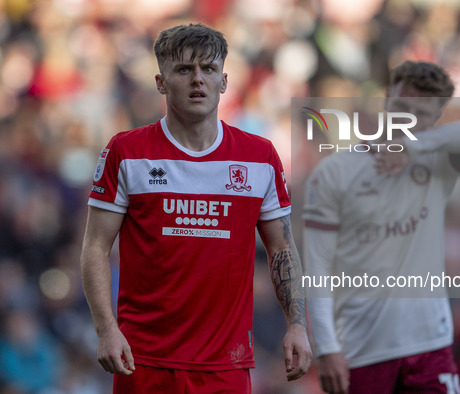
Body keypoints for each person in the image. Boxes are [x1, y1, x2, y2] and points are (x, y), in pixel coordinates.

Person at [80, 23, 312, 393]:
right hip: (143, 359)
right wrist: (106, 330)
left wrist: (296, 325)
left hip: (226, 363)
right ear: (161, 81)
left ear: (224, 81)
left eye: (208, 69)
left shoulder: (259, 157)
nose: (197, 80)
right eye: (184, 70)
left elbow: (282, 248)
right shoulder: (127, 152)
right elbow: (94, 247)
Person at [303, 61, 460, 393]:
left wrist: (413, 147)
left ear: (437, 118)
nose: (408, 119)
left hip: (430, 343)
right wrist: (325, 346)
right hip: (362, 348)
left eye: (422, 113)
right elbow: (318, 267)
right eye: (402, 107)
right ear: (386, 99)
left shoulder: (438, 163)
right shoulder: (335, 171)